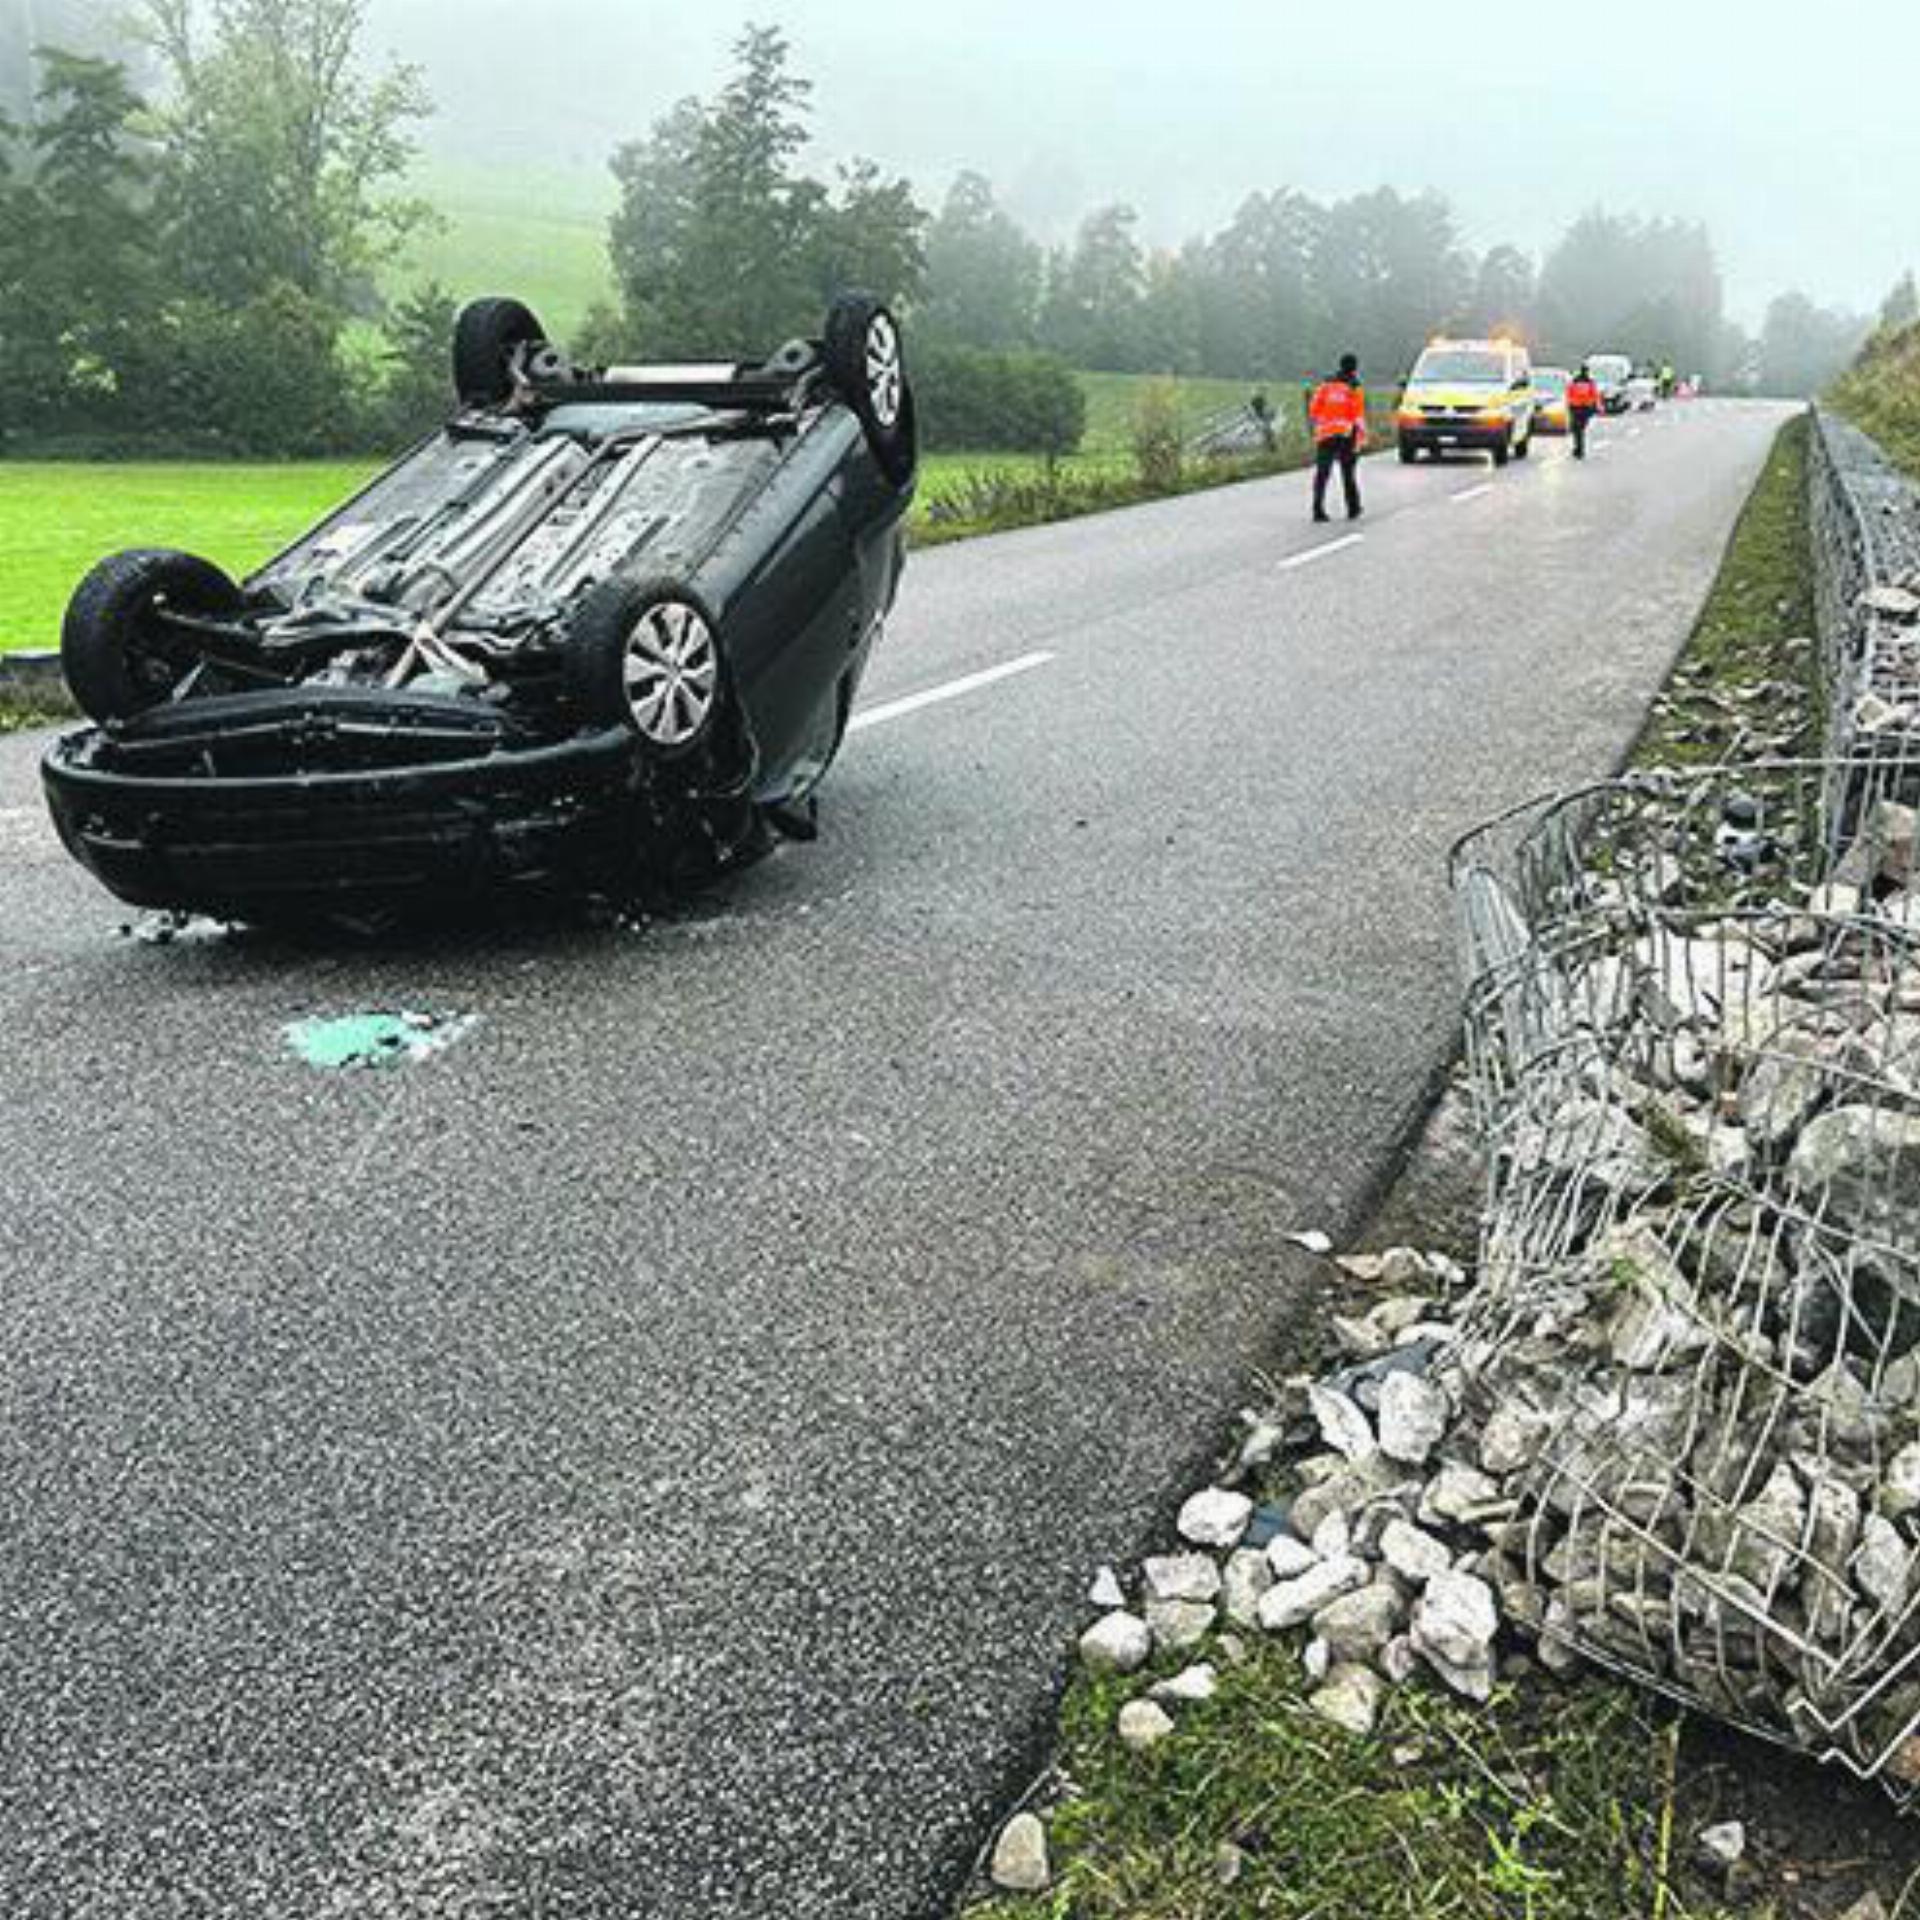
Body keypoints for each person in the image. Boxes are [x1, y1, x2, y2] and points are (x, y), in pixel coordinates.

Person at [1309, 354, 1367, 522]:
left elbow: (1313, 410)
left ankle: (1317, 509)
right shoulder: (1354, 388)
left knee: (1322, 474)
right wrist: (1360, 440)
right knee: (1348, 473)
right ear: (1355, 368)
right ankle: (1353, 508)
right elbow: (1358, 417)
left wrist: (1322, 423)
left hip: (1325, 435)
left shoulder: (1326, 385)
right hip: (1346, 435)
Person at [1566, 362, 1603, 460]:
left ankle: (1578, 449)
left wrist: (1570, 406)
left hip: (1576, 408)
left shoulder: (1574, 382)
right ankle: (1579, 449)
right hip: (1586, 409)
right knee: (1581, 430)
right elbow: (1595, 395)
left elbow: (1569, 394)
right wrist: (1596, 407)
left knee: (1577, 430)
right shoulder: (1590, 382)